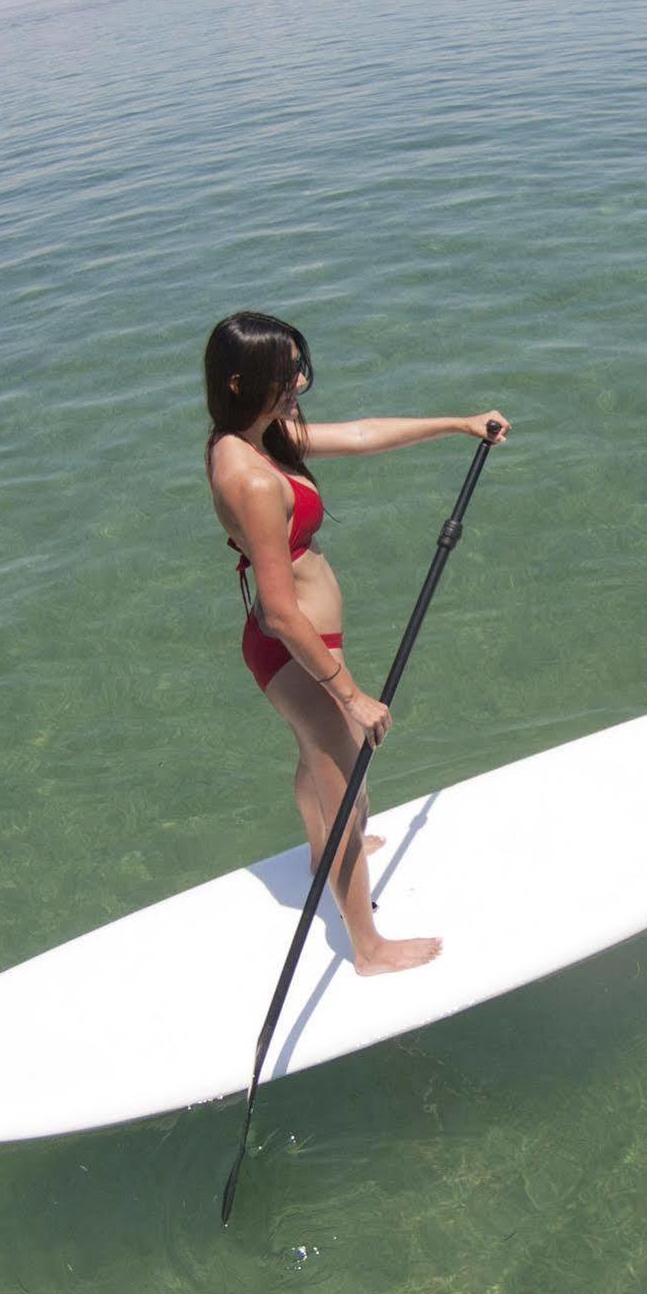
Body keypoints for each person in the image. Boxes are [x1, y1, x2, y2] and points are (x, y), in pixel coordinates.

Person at [203, 310, 509, 975]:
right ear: (238, 381)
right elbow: (283, 614)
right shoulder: (251, 477)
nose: (301, 383)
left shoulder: (253, 438)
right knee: (347, 791)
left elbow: (364, 434)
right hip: (295, 648)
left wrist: (456, 424)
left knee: (318, 759)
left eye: (297, 368)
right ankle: (365, 947)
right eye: (285, 375)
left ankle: (321, 856)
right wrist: (351, 696)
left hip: (298, 644)